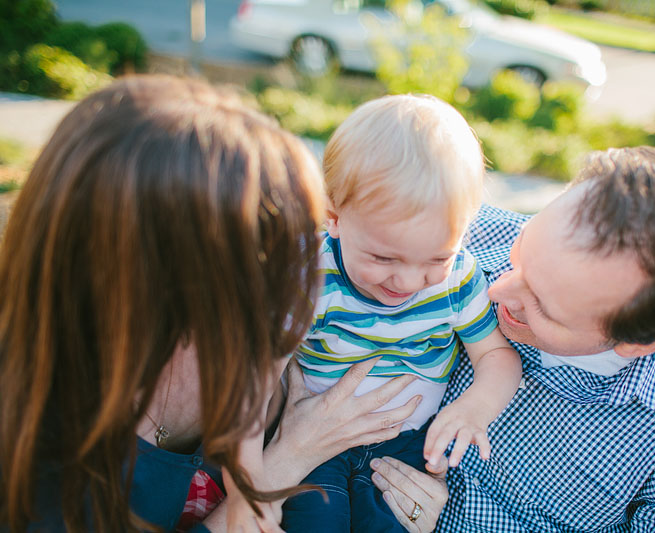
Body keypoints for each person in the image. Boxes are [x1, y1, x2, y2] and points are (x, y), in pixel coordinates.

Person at [0, 75, 423, 533]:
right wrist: (287, 460)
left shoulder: (256, 333)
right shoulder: (40, 446)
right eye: (274, 257)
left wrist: (407, 502)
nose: (303, 280)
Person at [370, 146, 655, 532]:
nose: (497, 291)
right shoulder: (451, 238)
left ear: (639, 342)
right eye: (520, 251)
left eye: (542, 306)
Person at [268, 94, 521, 533]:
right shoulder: (309, 276)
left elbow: (496, 355)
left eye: (434, 259)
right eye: (384, 258)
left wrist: (475, 408)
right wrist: (254, 473)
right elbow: (259, 371)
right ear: (334, 218)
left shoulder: (457, 278)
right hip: (314, 440)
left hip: (406, 449)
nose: (406, 282)